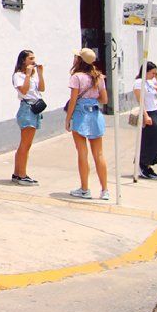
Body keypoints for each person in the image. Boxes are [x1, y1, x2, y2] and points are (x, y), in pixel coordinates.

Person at [65, 48, 110, 201]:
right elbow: (104, 99)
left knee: (82, 153)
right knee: (99, 154)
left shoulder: (76, 77)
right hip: (95, 114)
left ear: (79, 60)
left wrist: (68, 118)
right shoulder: (99, 77)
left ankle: (85, 189)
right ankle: (105, 190)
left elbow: (73, 100)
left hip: (80, 114)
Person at [12, 50, 44, 185]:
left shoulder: (32, 76)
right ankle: (22, 175)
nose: (33, 60)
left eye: (34, 58)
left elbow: (41, 89)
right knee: (25, 144)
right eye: (30, 58)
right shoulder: (18, 75)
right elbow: (24, 91)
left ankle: (17, 173)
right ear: (23, 60)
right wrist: (28, 75)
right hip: (27, 109)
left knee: (26, 144)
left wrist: (40, 74)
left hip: (35, 109)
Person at [134, 61, 157, 180]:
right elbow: (140, 101)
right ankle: (142, 164)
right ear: (146, 72)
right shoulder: (139, 83)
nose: (154, 75)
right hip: (147, 113)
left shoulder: (151, 82)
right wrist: (145, 115)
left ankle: (147, 165)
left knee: (152, 141)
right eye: (152, 73)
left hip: (155, 112)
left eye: (155, 73)